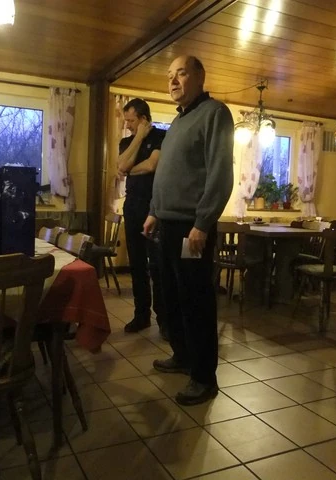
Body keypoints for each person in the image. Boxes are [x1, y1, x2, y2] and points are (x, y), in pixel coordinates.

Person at [143, 55, 234, 406]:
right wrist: (154, 211)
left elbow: (220, 173)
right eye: (170, 75)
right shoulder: (178, 122)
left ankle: (204, 378)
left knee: (196, 301)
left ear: (199, 76)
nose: (173, 81)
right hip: (167, 225)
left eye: (181, 73)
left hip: (191, 228)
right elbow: (167, 173)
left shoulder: (215, 113)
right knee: (171, 297)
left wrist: (202, 223)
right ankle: (182, 356)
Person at [117, 98, 167, 338]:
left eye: (131, 121)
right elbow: (120, 165)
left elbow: (151, 166)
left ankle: (164, 319)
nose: (127, 125)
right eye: (126, 121)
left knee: (157, 265)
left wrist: (128, 168)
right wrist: (138, 138)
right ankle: (141, 315)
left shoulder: (161, 136)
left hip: (154, 207)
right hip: (132, 207)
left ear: (144, 119)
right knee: (136, 264)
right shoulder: (127, 141)